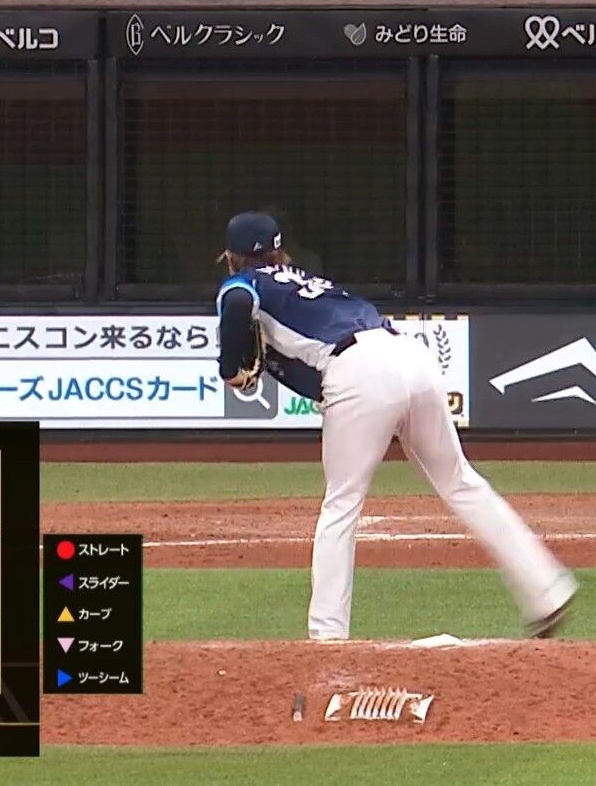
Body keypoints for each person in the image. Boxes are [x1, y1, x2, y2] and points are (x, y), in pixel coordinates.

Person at [214, 211, 575, 641]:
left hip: (358, 369)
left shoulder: (245, 283)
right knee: (461, 481)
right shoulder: (305, 280)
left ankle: (327, 637)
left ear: (231, 257)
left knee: (341, 505)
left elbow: (237, 304)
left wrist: (230, 369)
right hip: (410, 355)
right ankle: (547, 590)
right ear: (279, 250)